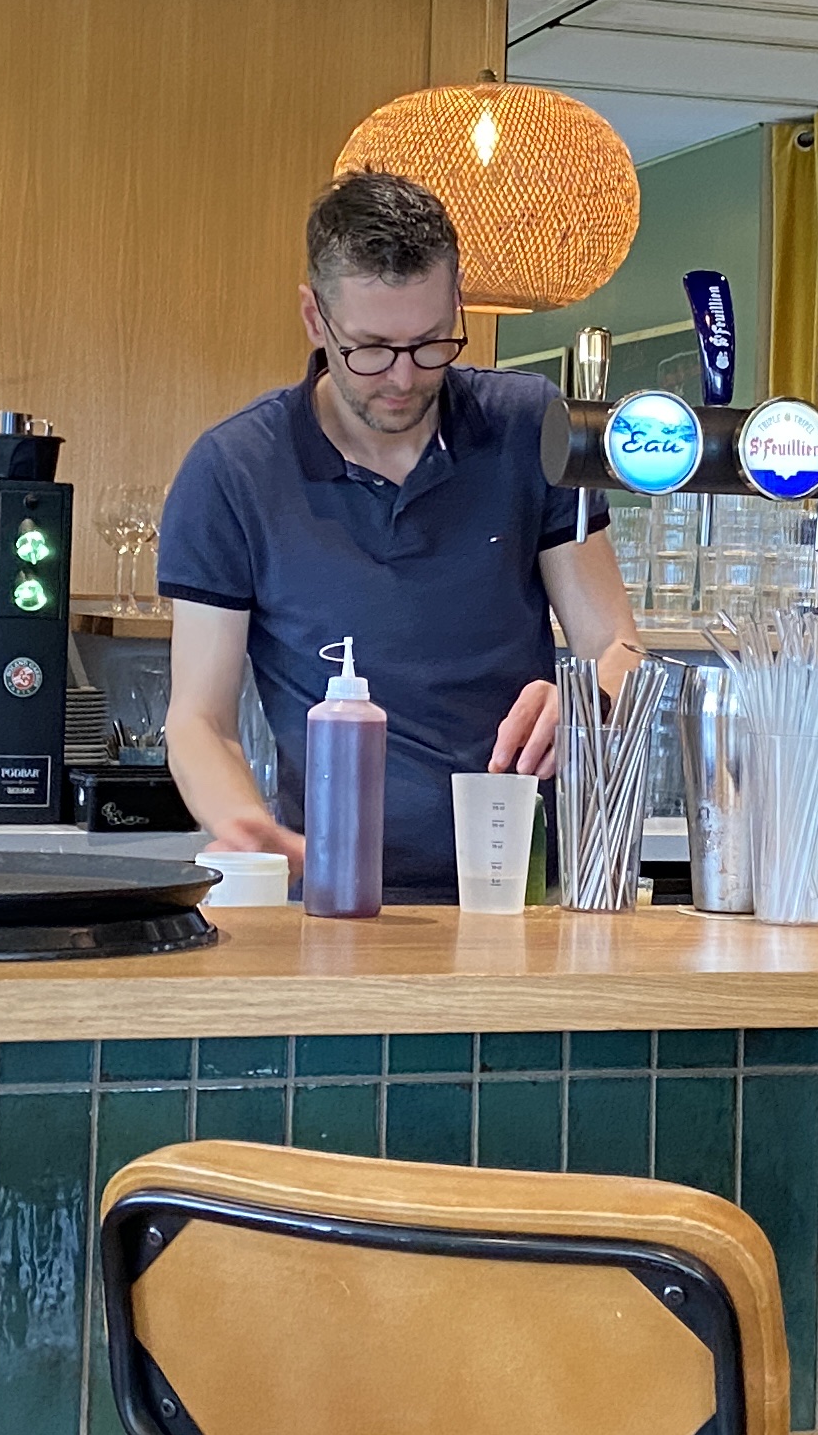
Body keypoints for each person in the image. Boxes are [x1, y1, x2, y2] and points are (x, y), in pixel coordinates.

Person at [158, 170, 641, 899]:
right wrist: (247, 827)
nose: (404, 377)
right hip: (335, 896)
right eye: (372, 348)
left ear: (456, 303)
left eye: (430, 343)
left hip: (525, 889)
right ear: (315, 318)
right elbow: (201, 720)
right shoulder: (235, 469)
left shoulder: (527, 426)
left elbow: (617, 648)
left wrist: (586, 704)